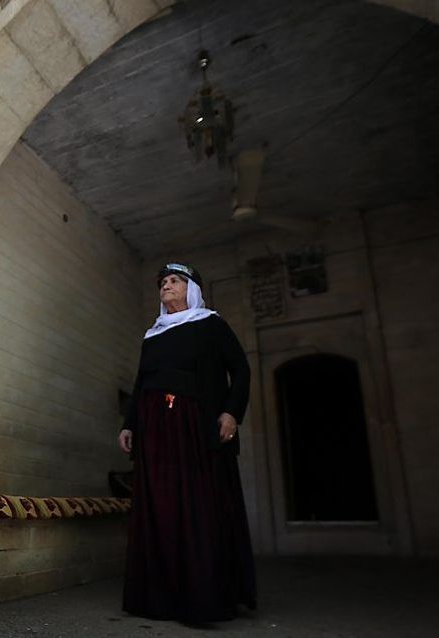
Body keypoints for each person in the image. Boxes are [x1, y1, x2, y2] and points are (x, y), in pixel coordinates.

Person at [118, 263, 256, 623]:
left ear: (191, 288)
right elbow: (140, 383)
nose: (166, 286)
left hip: (196, 426)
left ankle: (203, 597)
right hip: (154, 429)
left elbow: (240, 369)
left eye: (174, 281)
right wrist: (130, 424)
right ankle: (159, 598)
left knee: (197, 501)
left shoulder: (211, 323)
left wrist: (231, 413)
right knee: (159, 504)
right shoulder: (153, 334)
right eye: (162, 282)